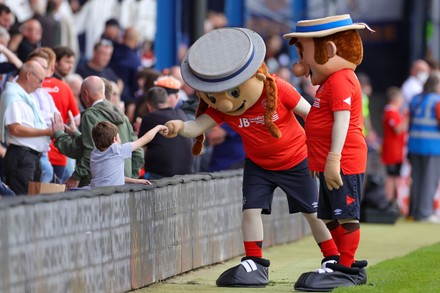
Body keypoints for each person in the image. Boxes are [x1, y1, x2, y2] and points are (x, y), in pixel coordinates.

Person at [165, 27, 338, 287]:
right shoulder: (223, 109)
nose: (224, 103)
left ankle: (332, 258)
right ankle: (255, 262)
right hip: (258, 164)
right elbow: (196, 126)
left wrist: (325, 150)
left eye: (233, 93)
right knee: (250, 211)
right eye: (216, 97)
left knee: (312, 213)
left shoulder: (279, 89)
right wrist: (178, 126)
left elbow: (310, 116)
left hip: (295, 160)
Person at [284, 14, 372, 288]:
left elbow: (342, 120)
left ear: (330, 50)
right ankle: (340, 261)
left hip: (344, 160)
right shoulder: (328, 82)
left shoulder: (342, 79)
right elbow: (321, 121)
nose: (300, 64)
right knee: (328, 214)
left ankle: (346, 266)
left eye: (303, 54)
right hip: (328, 162)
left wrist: (333, 158)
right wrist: (319, 158)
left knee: (345, 213)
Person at [53, 75, 143, 189]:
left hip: (98, 187)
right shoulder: (122, 116)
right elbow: (137, 152)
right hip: (123, 186)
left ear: (85, 94)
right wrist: (131, 178)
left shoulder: (90, 115)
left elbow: (90, 150)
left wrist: (59, 133)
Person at [0, 60, 53, 194]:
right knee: (22, 201)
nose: (40, 86)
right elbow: (15, 129)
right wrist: (46, 131)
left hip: (31, 157)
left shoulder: (26, 96)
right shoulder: (13, 95)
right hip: (21, 156)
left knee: (31, 201)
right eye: (40, 81)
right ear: (29, 75)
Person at [139, 86, 195, 179]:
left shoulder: (149, 117)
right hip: (187, 173)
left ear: (149, 105)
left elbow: (140, 147)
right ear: (167, 100)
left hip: (160, 176)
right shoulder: (180, 113)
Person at [407, 70, 440, 223]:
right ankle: (425, 212)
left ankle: (415, 211)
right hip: (432, 146)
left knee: (417, 179)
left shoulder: (416, 99)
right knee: (429, 180)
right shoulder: (437, 101)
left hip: (414, 144)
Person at [381, 87, 408, 206]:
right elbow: (398, 129)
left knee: (395, 176)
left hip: (396, 151)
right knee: (391, 177)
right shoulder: (390, 112)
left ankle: (393, 201)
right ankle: (389, 201)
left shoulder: (394, 112)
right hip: (392, 151)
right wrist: (407, 118)